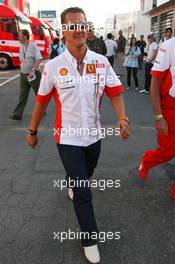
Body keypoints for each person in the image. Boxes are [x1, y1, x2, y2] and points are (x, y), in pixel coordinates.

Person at [26, 7, 130, 264]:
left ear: (88, 28)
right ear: (64, 30)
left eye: (82, 24)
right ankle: (90, 239)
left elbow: (115, 92)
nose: (78, 30)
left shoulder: (101, 61)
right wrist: (32, 131)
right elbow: (41, 103)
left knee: (88, 171)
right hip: (68, 138)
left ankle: (74, 179)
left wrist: (122, 117)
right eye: (72, 26)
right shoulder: (53, 66)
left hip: (93, 136)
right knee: (84, 191)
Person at [138, 36, 175, 200]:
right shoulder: (169, 46)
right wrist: (159, 116)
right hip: (170, 108)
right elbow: (155, 84)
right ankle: (147, 160)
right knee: (167, 152)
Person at [10, 29, 42, 120]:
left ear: (25, 36)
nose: (18, 37)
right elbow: (22, 59)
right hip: (23, 75)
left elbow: (39, 59)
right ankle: (17, 114)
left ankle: (41, 111)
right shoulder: (21, 46)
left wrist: (33, 70)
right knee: (22, 96)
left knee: (39, 94)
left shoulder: (33, 46)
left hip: (33, 75)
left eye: (20, 36)